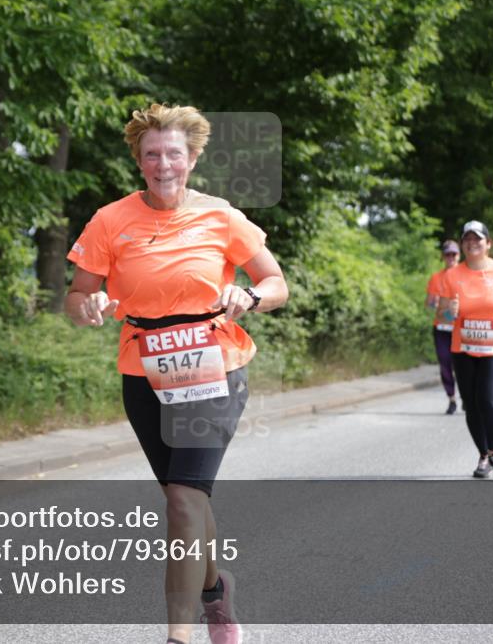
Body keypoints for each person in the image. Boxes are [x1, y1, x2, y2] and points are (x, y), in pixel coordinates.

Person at [65, 104, 288, 644]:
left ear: (191, 158)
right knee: (185, 496)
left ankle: (177, 637)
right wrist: (86, 306)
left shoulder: (221, 216)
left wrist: (250, 295)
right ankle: (215, 594)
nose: (162, 164)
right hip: (144, 370)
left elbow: (276, 282)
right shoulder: (110, 220)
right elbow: (77, 294)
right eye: (151, 155)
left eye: (173, 154)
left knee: (186, 500)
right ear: (139, 162)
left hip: (214, 365)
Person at [438, 221, 493, 479]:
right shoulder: (452, 275)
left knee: (488, 399)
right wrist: (449, 312)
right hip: (463, 348)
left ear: (489, 243)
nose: (471, 243)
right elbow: (443, 312)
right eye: (467, 239)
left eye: (477, 239)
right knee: (472, 405)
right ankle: (483, 454)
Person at [426, 240, 461, 414]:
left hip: (460, 328)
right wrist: (435, 302)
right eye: (448, 254)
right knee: (444, 363)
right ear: (443, 256)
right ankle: (452, 398)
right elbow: (429, 303)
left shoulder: (464, 275)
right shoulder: (436, 278)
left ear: (459, 255)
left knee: (461, 365)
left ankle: (467, 397)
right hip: (441, 327)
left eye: (454, 254)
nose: (451, 257)